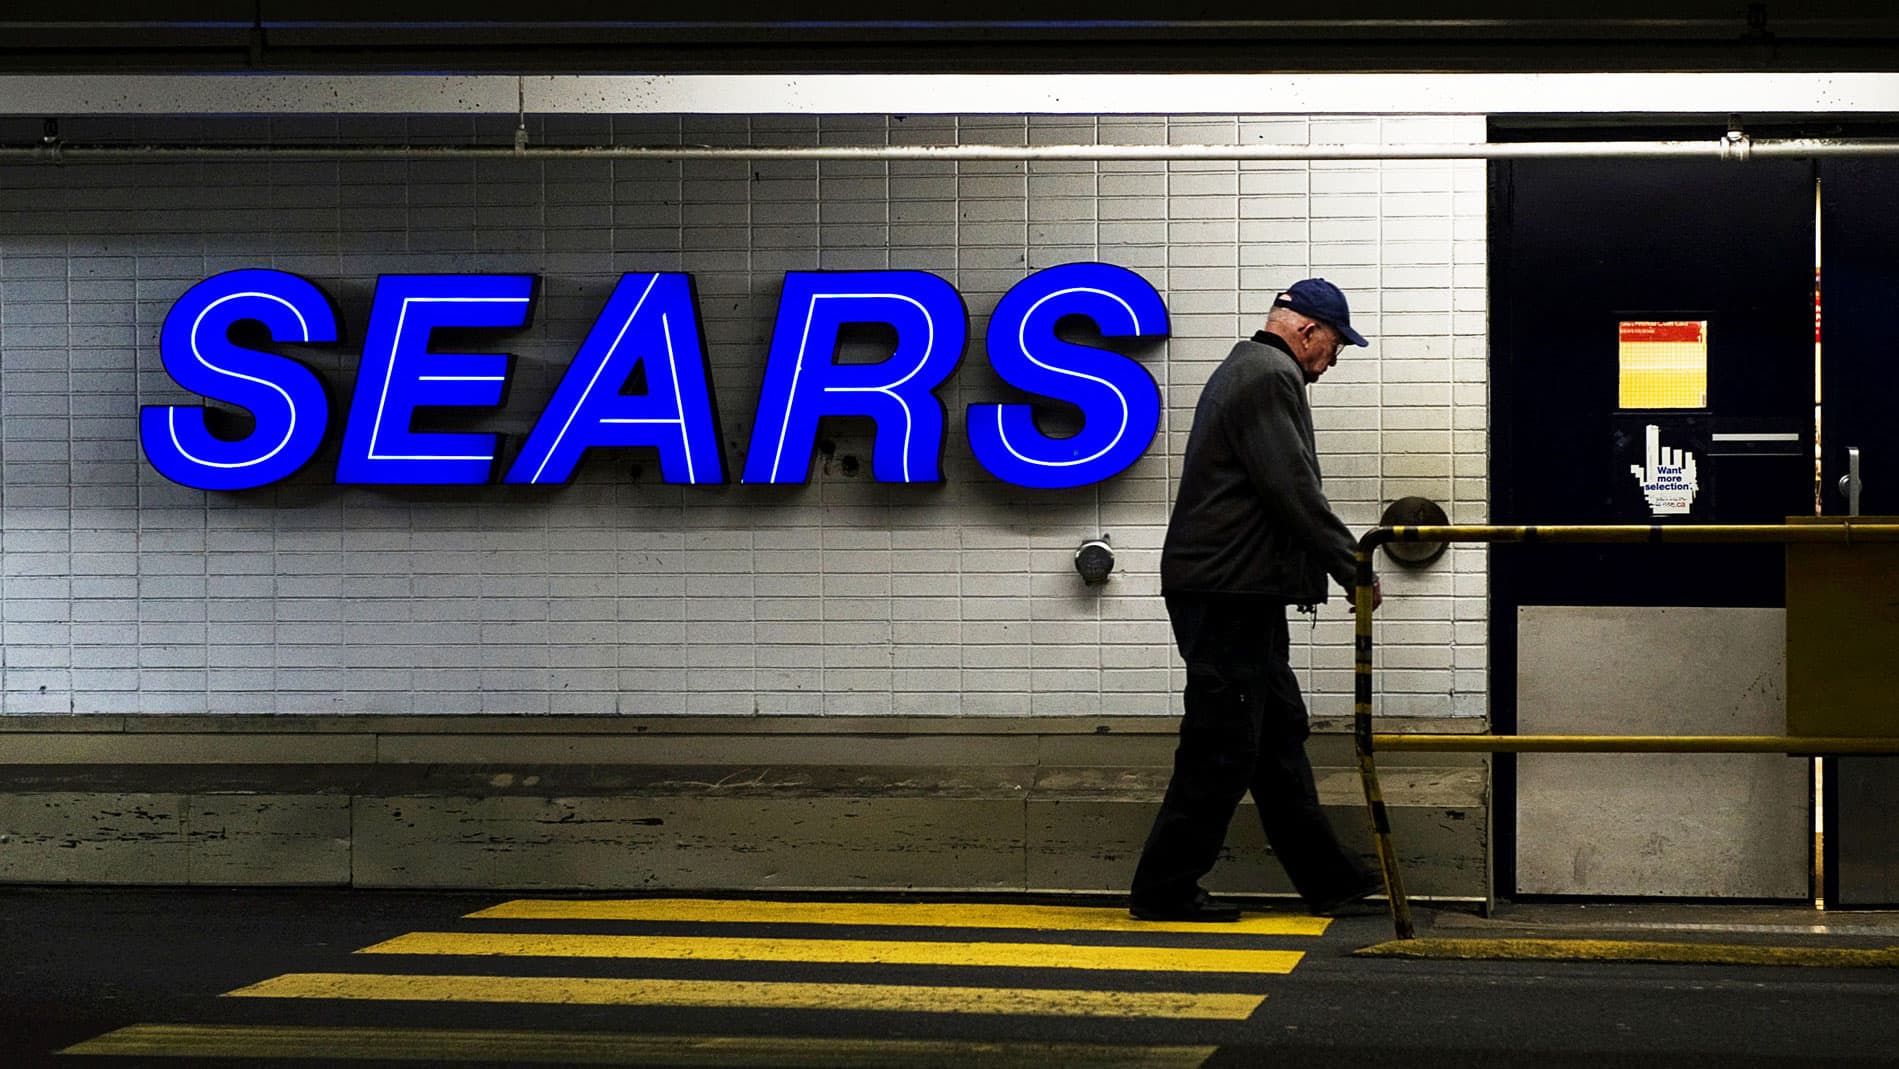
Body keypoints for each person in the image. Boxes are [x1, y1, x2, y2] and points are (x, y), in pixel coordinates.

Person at [1129, 277, 1384, 922]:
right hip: (1227, 594)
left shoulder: (1248, 369)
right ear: (1307, 332)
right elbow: (1292, 490)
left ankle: (1330, 881)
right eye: (1335, 346)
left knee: (1274, 739)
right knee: (1222, 743)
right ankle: (1163, 889)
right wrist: (1351, 566)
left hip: (1238, 590)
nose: (1333, 361)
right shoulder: (1270, 376)